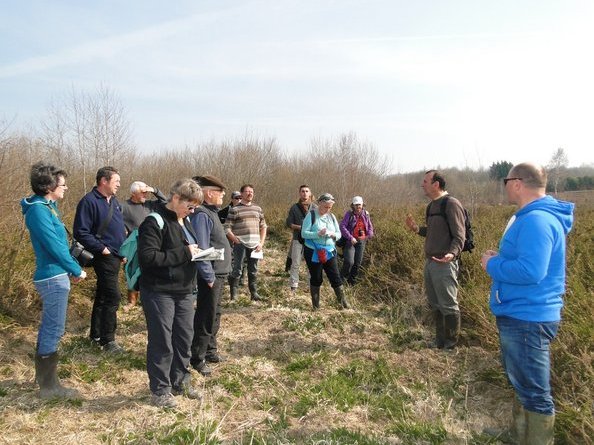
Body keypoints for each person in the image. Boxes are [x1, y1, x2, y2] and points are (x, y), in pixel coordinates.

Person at [481, 163, 574, 444]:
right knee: (522, 383)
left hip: (528, 318)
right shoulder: (532, 217)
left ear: (518, 183)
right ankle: (518, 434)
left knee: (534, 391)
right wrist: (503, 259)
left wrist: (493, 264)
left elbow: (532, 272)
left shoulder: (537, 221)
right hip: (521, 314)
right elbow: (529, 263)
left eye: (506, 180)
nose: (505, 185)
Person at [21, 162, 87, 399]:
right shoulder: (39, 210)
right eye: (62, 184)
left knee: (51, 326)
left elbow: (58, 243)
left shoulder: (47, 207)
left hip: (56, 274)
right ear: (48, 186)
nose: (66, 188)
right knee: (54, 328)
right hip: (52, 277)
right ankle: (49, 388)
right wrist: (75, 269)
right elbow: (53, 245)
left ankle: (44, 380)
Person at [137, 178, 203, 408]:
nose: (192, 211)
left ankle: (180, 381)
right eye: (190, 205)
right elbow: (149, 258)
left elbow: (188, 250)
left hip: (184, 291)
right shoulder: (153, 222)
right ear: (175, 198)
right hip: (159, 292)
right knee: (162, 341)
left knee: (184, 338)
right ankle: (160, 390)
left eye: (195, 207)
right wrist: (184, 253)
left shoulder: (185, 221)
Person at [405, 170, 466, 349]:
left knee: (448, 305)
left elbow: (459, 236)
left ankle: (451, 344)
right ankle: (439, 341)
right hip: (430, 262)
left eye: (425, 181)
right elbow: (432, 232)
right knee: (435, 304)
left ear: (436, 184)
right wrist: (416, 229)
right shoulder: (431, 206)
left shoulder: (451, 204)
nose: (422, 184)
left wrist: (452, 254)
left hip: (444, 263)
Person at [73, 166, 127, 353]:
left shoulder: (114, 202)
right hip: (102, 256)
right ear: (103, 181)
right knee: (113, 296)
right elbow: (81, 232)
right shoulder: (89, 201)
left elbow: (119, 229)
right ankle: (108, 340)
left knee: (103, 295)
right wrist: (102, 249)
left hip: (115, 256)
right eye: (116, 181)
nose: (119, 184)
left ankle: (96, 334)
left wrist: (122, 251)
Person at [189, 175, 232, 377]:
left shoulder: (212, 213)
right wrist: (208, 276)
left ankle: (210, 350)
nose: (223, 195)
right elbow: (202, 250)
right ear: (209, 193)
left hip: (219, 272)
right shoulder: (202, 215)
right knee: (206, 316)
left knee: (215, 314)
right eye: (220, 192)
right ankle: (197, 358)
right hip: (211, 275)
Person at [120, 181, 167, 310]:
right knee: (132, 272)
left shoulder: (151, 205)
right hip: (133, 244)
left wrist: (154, 190)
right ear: (133, 193)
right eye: (142, 192)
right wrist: (122, 251)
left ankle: (148, 298)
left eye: (146, 193)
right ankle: (132, 302)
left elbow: (166, 202)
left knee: (150, 271)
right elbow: (117, 227)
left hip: (152, 242)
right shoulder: (123, 206)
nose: (145, 195)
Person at [301, 193, 350, 310]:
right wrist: (317, 233)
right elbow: (304, 233)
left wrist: (332, 234)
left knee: (335, 277)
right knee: (317, 278)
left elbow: (339, 234)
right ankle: (316, 307)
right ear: (320, 203)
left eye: (330, 207)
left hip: (329, 251)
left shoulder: (332, 217)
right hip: (313, 251)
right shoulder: (311, 215)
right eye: (325, 207)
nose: (327, 209)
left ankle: (343, 303)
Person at [224, 184, 267, 301]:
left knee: (253, 270)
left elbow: (263, 226)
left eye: (251, 192)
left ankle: (254, 293)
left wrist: (261, 243)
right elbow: (227, 228)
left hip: (255, 245)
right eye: (247, 191)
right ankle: (234, 295)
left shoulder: (258, 209)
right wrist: (234, 239)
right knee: (237, 269)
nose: (250, 193)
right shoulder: (234, 209)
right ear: (242, 194)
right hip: (240, 244)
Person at [285, 184, 316, 293]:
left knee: (311, 264)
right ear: (299, 193)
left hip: (311, 240)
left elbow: (319, 224)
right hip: (297, 238)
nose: (305, 193)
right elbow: (289, 223)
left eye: (307, 191)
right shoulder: (294, 207)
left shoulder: (315, 208)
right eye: (302, 191)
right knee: (295, 263)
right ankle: (293, 286)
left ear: (310, 193)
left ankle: (311, 286)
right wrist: (300, 228)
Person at [339, 196, 375, 285]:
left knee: (357, 263)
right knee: (349, 262)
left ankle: (351, 282)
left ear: (362, 205)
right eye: (356, 205)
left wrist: (368, 236)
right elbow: (342, 226)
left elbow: (370, 227)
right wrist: (350, 237)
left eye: (359, 205)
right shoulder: (349, 214)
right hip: (350, 241)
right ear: (353, 205)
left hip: (361, 242)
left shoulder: (366, 214)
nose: (358, 207)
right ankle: (341, 279)